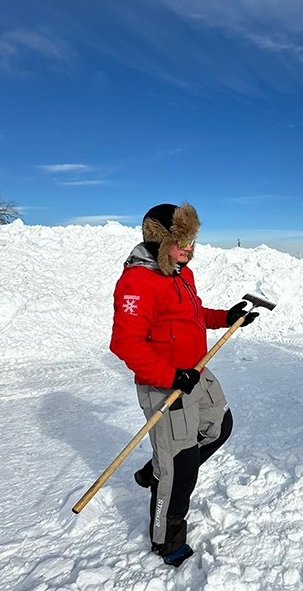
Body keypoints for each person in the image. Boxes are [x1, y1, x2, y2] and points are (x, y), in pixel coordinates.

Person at [109, 202, 258, 567]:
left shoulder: (180, 274)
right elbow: (125, 343)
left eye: (191, 241)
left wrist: (225, 317)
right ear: (161, 241)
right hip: (166, 385)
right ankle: (167, 539)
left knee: (220, 427)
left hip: (195, 373)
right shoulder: (137, 282)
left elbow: (192, 317)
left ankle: (157, 470)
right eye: (180, 241)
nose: (188, 249)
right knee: (181, 465)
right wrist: (170, 375)